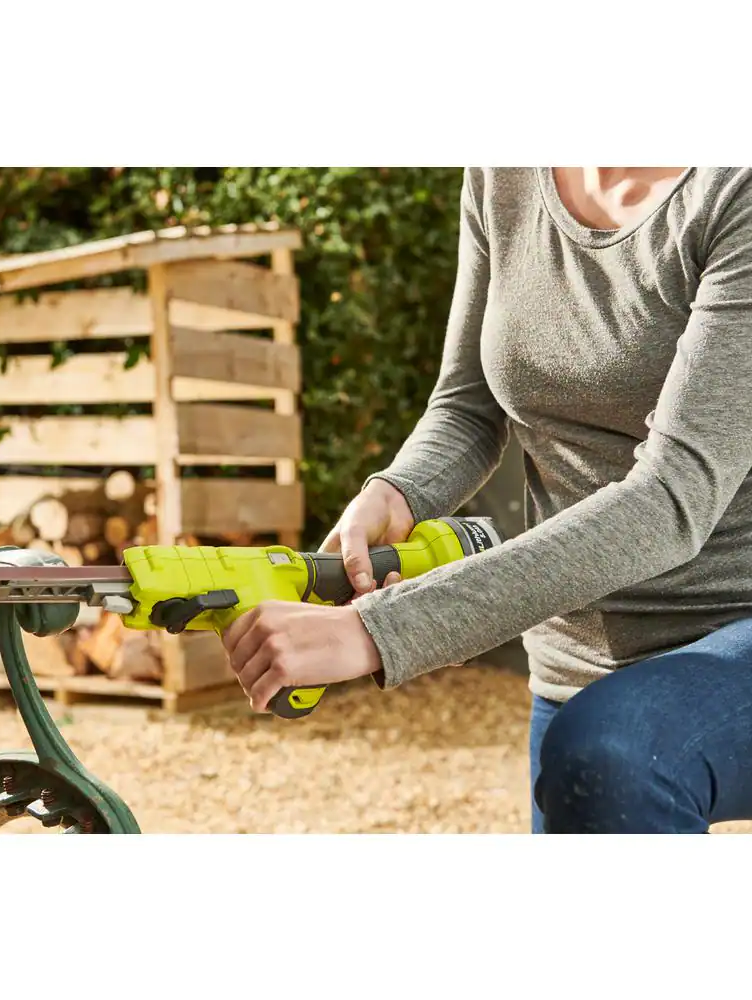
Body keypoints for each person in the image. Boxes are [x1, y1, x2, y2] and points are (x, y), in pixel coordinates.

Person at [221, 167, 752, 834]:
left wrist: (380, 629)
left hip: (734, 632)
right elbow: (468, 405)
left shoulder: (732, 193)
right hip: (574, 665)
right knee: (594, 761)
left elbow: (671, 500)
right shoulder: (504, 175)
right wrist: (397, 491)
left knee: (611, 756)